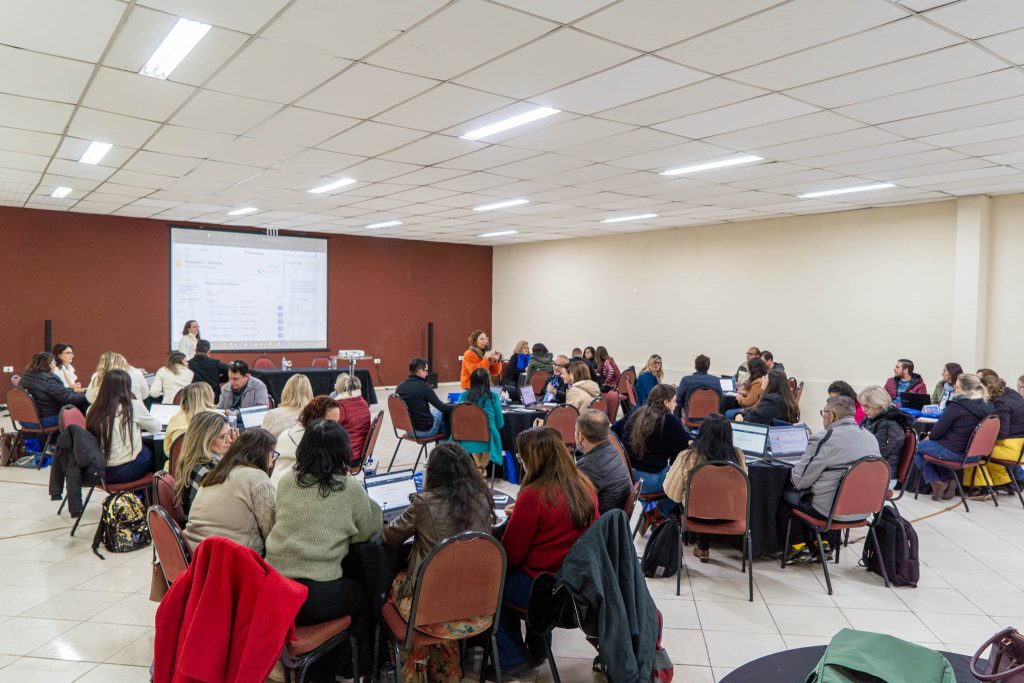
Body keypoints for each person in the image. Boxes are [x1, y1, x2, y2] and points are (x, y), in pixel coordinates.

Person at [265, 419, 382, 673]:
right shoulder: (349, 487)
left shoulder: (286, 482)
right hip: (316, 595)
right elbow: (369, 530)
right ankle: (350, 669)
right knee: (365, 598)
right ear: (343, 452)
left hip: (276, 590)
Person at [381, 442, 496, 682]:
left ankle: (411, 668)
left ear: (432, 472)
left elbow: (389, 538)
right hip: (477, 606)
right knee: (433, 589)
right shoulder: (483, 498)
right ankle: (445, 668)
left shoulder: (423, 504)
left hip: (429, 610)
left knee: (394, 586)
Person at [493, 426, 598, 680]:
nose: (521, 462)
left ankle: (512, 660)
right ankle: (539, 648)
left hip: (546, 590)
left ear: (534, 459)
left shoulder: (533, 495)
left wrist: (520, 515)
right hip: (577, 586)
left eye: (521, 457)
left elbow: (512, 555)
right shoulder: (584, 486)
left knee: (491, 586)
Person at [786, 396, 881, 559]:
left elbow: (800, 481)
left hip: (831, 512)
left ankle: (798, 545)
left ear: (831, 415)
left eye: (823, 413)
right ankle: (822, 542)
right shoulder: (870, 438)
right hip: (863, 511)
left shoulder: (825, 438)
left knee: (789, 492)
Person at [664, 413, 747, 562]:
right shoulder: (738, 457)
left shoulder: (688, 457)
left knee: (691, 499)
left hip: (695, 514)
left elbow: (672, 493)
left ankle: (702, 547)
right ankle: (704, 545)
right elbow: (743, 491)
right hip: (731, 513)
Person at [183, 428, 277, 554]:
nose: (271, 462)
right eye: (273, 454)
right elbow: (273, 531)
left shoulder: (213, 473)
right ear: (262, 453)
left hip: (194, 556)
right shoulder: (257, 477)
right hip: (230, 562)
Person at [612, 383, 689, 517]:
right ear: (666, 402)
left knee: (672, 474)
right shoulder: (669, 420)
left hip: (628, 476)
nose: (676, 405)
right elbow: (686, 445)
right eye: (674, 401)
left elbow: (612, 432)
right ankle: (656, 514)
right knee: (686, 483)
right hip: (650, 480)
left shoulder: (636, 412)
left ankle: (655, 514)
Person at [913, 374, 993, 500]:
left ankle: (936, 481)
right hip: (975, 454)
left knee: (914, 448)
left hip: (954, 451)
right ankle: (949, 480)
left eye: (957, 387)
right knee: (931, 450)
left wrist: (929, 438)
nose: (954, 389)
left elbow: (936, 433)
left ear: (963, 389)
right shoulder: (988, 406)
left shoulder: (957, 407)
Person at [85, 369, 161, 484]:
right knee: (155, 452)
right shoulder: (132, 406)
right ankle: (147, 497)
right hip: (125, 471)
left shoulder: (92, 409)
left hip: (100, 471)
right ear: (127, 387)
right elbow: (156, 428)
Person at [173, 411, 233, 518]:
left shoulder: (194, 461)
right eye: (222, 437)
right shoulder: (208, 471)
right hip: (204, 530)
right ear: (205, 440)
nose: (229, 440)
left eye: (229, 434)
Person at [967, 374, 1024, 488]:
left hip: (1010, 449)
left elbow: (1002, 434)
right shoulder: (1013, 394)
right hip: (1020, 448)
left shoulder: (1001, 403)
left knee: (973, 451)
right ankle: (1004, 482)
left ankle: (981, 487)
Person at [574, 408, 631, 514]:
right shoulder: (612, 450)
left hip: (599, 524)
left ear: (580, 436)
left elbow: (575, 506)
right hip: (614, 518)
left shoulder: (588, 467)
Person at [275, 395, 341, 484]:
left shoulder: (286, 434)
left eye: (337, 422)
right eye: (331, 422)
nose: (335, 427)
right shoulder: (315, 441)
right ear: (316, 418)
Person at [858, 385, 914, 487]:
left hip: (883, 475)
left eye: (867, 406)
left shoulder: (889, 425)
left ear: (879, 405)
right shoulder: (872, 418)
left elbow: (875, 454)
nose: (863, 410)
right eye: (863, 406)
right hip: (871, 469)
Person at [456, 368, 505, 476]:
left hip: (467, 435)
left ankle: (479, 467)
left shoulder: (464, 395)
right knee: (488, 436)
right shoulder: (493, 397)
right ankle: (481, 468)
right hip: (488, 436)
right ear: (487, 381)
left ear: (472, 381)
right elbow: (500, 423)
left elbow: (458, 416)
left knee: (473, 435)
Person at [18, 352, 88, 427]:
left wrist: (73, 391)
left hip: (25, 419)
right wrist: (87, 395)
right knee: (81, 408)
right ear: (49, 364)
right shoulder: (50, 378)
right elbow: (68, 399)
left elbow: (58, 391)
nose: (55, 365)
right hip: (44, 420)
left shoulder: (25, 377)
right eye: (54, 362)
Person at [396, 358, 452, 438]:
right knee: (441, 412)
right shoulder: (424, 387)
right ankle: (447, 440)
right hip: (426, 431)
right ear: (419, 371)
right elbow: (442, 407)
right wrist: (458, 406)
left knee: (436, 413)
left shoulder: (400, 387)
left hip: (409, 431)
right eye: (426, 370)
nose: (427, 374)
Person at [164, 382, 217, 451]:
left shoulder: (175, 419)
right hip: (210, 460)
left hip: (178, 461)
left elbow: (167, 449)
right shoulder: (218, 418)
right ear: (209, 396)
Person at [736, 370, 800, 425]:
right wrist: (740, 413)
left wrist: (739, 414)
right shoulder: (783, 397)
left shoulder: (772, 401)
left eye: (765, 378)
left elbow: (750, 419)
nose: (762, 380)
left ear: (771, 383)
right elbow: (754, 409)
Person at [333, 373, 371, 462]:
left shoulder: (341, 405)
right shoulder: (363, 402)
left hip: (347, 454)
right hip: (361, 452)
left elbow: (329, 428)